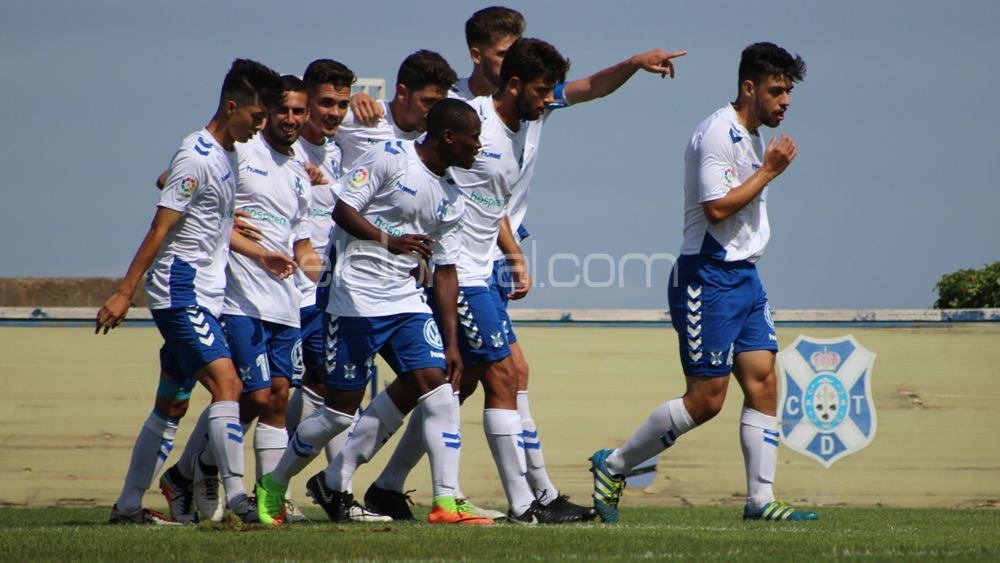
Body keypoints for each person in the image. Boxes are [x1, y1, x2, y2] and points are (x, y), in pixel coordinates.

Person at [367, 28, 686, 522]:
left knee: (457, 383)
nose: (548, 98)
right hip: (461, 272)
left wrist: (512, 252)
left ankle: (385, 485)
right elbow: (416, 159)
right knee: (503, 375)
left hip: (485, 264)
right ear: (502, 73)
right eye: (540, 89)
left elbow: (589, 90)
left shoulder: (524, 119)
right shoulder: (469, 122)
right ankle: (529, 501)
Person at [589, 42, 818, 523]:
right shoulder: (718, 132)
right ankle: (613, 465)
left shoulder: (754, 137)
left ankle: (760, 500)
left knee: (763, 382)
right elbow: (716, 210)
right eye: (777, 90)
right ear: (749, 87)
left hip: (745, 277)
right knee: (706, 401)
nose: (786, 101)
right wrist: (770, 172)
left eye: (789, 92)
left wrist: (765, 168)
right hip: (706, 278)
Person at [256, 99, 494, 526]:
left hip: (404, 301)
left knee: (438, 389)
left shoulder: (454, 197)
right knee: (338, 414)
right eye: (473, 137)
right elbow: (342, 210)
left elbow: (445, 273)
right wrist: (390, 240)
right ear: (448, 137)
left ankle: (445, 502)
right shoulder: (390, 157)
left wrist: (452, 343)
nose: (479, 146)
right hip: (353, 299)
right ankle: (275, 484)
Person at [96, 59, 287, 524]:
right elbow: (160, 227)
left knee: (172, 404)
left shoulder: (226, 156)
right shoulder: (197, 154)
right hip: (181, 293)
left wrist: (260, 254)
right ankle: (239, 497)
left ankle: (126, 507)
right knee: (229, 385)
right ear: (232, 105)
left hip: (205, 295)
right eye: (257, 117)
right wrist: (124, 291)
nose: (260, 126)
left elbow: (205, 218)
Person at [158, 75, 322, 525]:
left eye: (298, 112)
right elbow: (170, 181)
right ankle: (202, 477)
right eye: (283, 110)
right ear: (266, 112)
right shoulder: (241, 149)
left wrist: (323, 272)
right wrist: (229, 220)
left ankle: (264, 499)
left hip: (285, 303)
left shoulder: (299, 171)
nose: (291, 119)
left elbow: (301, 243)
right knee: (246, 393)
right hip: (239, 301)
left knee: (276, 397)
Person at [283, 58, 356, 522]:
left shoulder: (337, 151)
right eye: (326, 103)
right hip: (287, 290)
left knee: (331, 389)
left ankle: (338, 492)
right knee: (257, 397)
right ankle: (194, 475)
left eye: (342, 104)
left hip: (323, 292)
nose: (334, 113)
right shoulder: (280, 150)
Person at [335, 50, 457, 169]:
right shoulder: (360, 116)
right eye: (428, 101)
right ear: (402, 93)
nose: (435, 111)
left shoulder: (437, 136)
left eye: (440, 103)